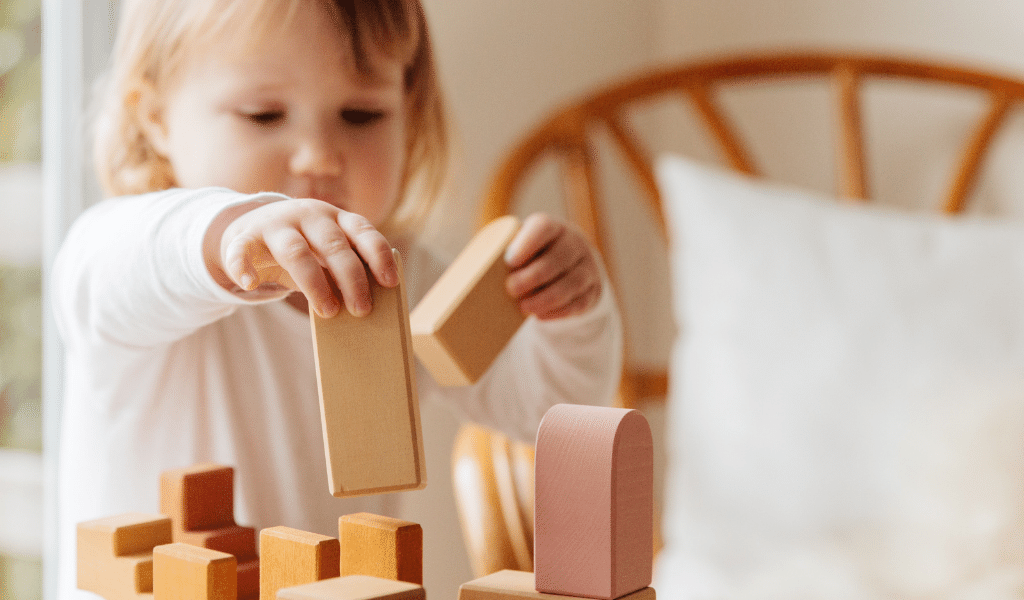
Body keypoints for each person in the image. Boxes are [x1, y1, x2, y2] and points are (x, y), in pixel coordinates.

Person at [54, 0, 622, 597]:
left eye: (361, 114)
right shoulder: (144, 257)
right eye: (263, 114)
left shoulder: (403, 276)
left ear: (409, 113)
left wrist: (569, 315)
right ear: (156, 119)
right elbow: (109, 268)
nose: (319, 155)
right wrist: (229, 238)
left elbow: (545, 412)